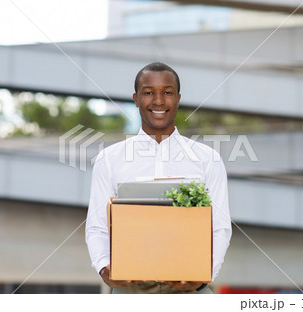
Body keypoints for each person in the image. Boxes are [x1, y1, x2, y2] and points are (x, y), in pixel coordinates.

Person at [85, 62, 232, 294]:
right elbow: (97, 228)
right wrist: (105, 269)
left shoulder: (208, 159)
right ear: (135, 98)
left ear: (178, 98)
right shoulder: (109, 160)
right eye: (148, 92)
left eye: (167, 92)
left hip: (190, 291)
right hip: (130, 291)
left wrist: (204, 275)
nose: (159, 101)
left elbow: (220, 228)